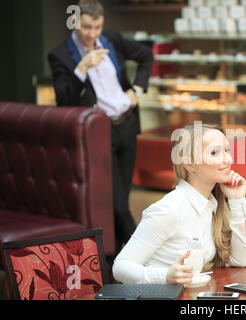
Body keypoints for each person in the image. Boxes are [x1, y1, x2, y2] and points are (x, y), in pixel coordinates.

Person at [47, 0, 153, 256]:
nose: (92, 34)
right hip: (99, 133)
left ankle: (114, 260)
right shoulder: (61, 55)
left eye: (96, 27)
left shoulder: (112, 39)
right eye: (86, 27)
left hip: (127, 124)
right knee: (116, 204)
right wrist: (81, 69)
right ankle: (149, 255)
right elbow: (63, 100)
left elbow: (146, 55)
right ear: (75, 23)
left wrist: (137, 89)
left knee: (121, 199)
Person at [112, 123, 246, 285]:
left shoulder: (213, 205)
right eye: (215, 152)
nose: (228, 159)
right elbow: (120, 267)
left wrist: (237, 201)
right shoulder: (170, 209)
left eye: (227, 150)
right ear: (190, 164)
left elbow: (240, 260)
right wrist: (166, 276)